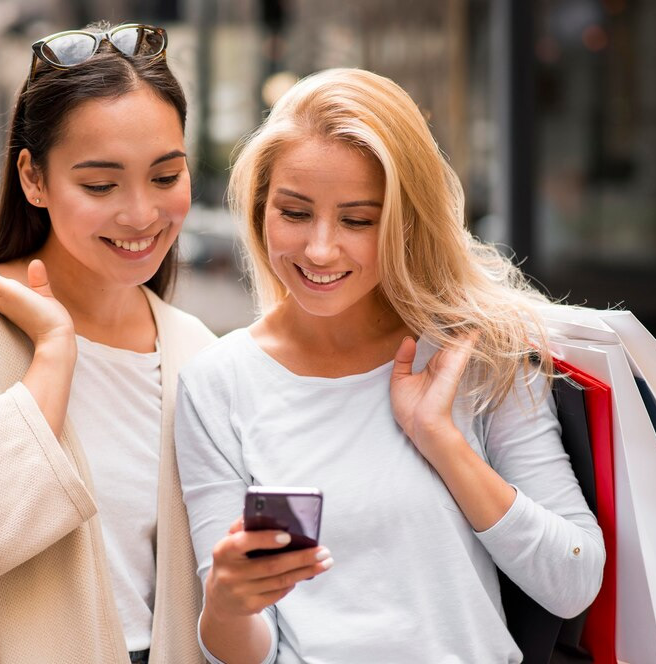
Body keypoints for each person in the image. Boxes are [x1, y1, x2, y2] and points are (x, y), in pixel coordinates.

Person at [174, 68, 604, 663]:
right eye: (295, 214)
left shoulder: (479, 354)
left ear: (407, 221)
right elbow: (243, 654)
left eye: (358, 220)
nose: (321, 249)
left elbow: (573, 581)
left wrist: (441, 440)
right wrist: (225, 604)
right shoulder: (217, 383)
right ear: (258, 208)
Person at [0, 22, 213, 664]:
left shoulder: (195, 349)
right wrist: (55, 349)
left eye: (166, 176)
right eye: (100, 185)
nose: (142, 213)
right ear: (33, 179)